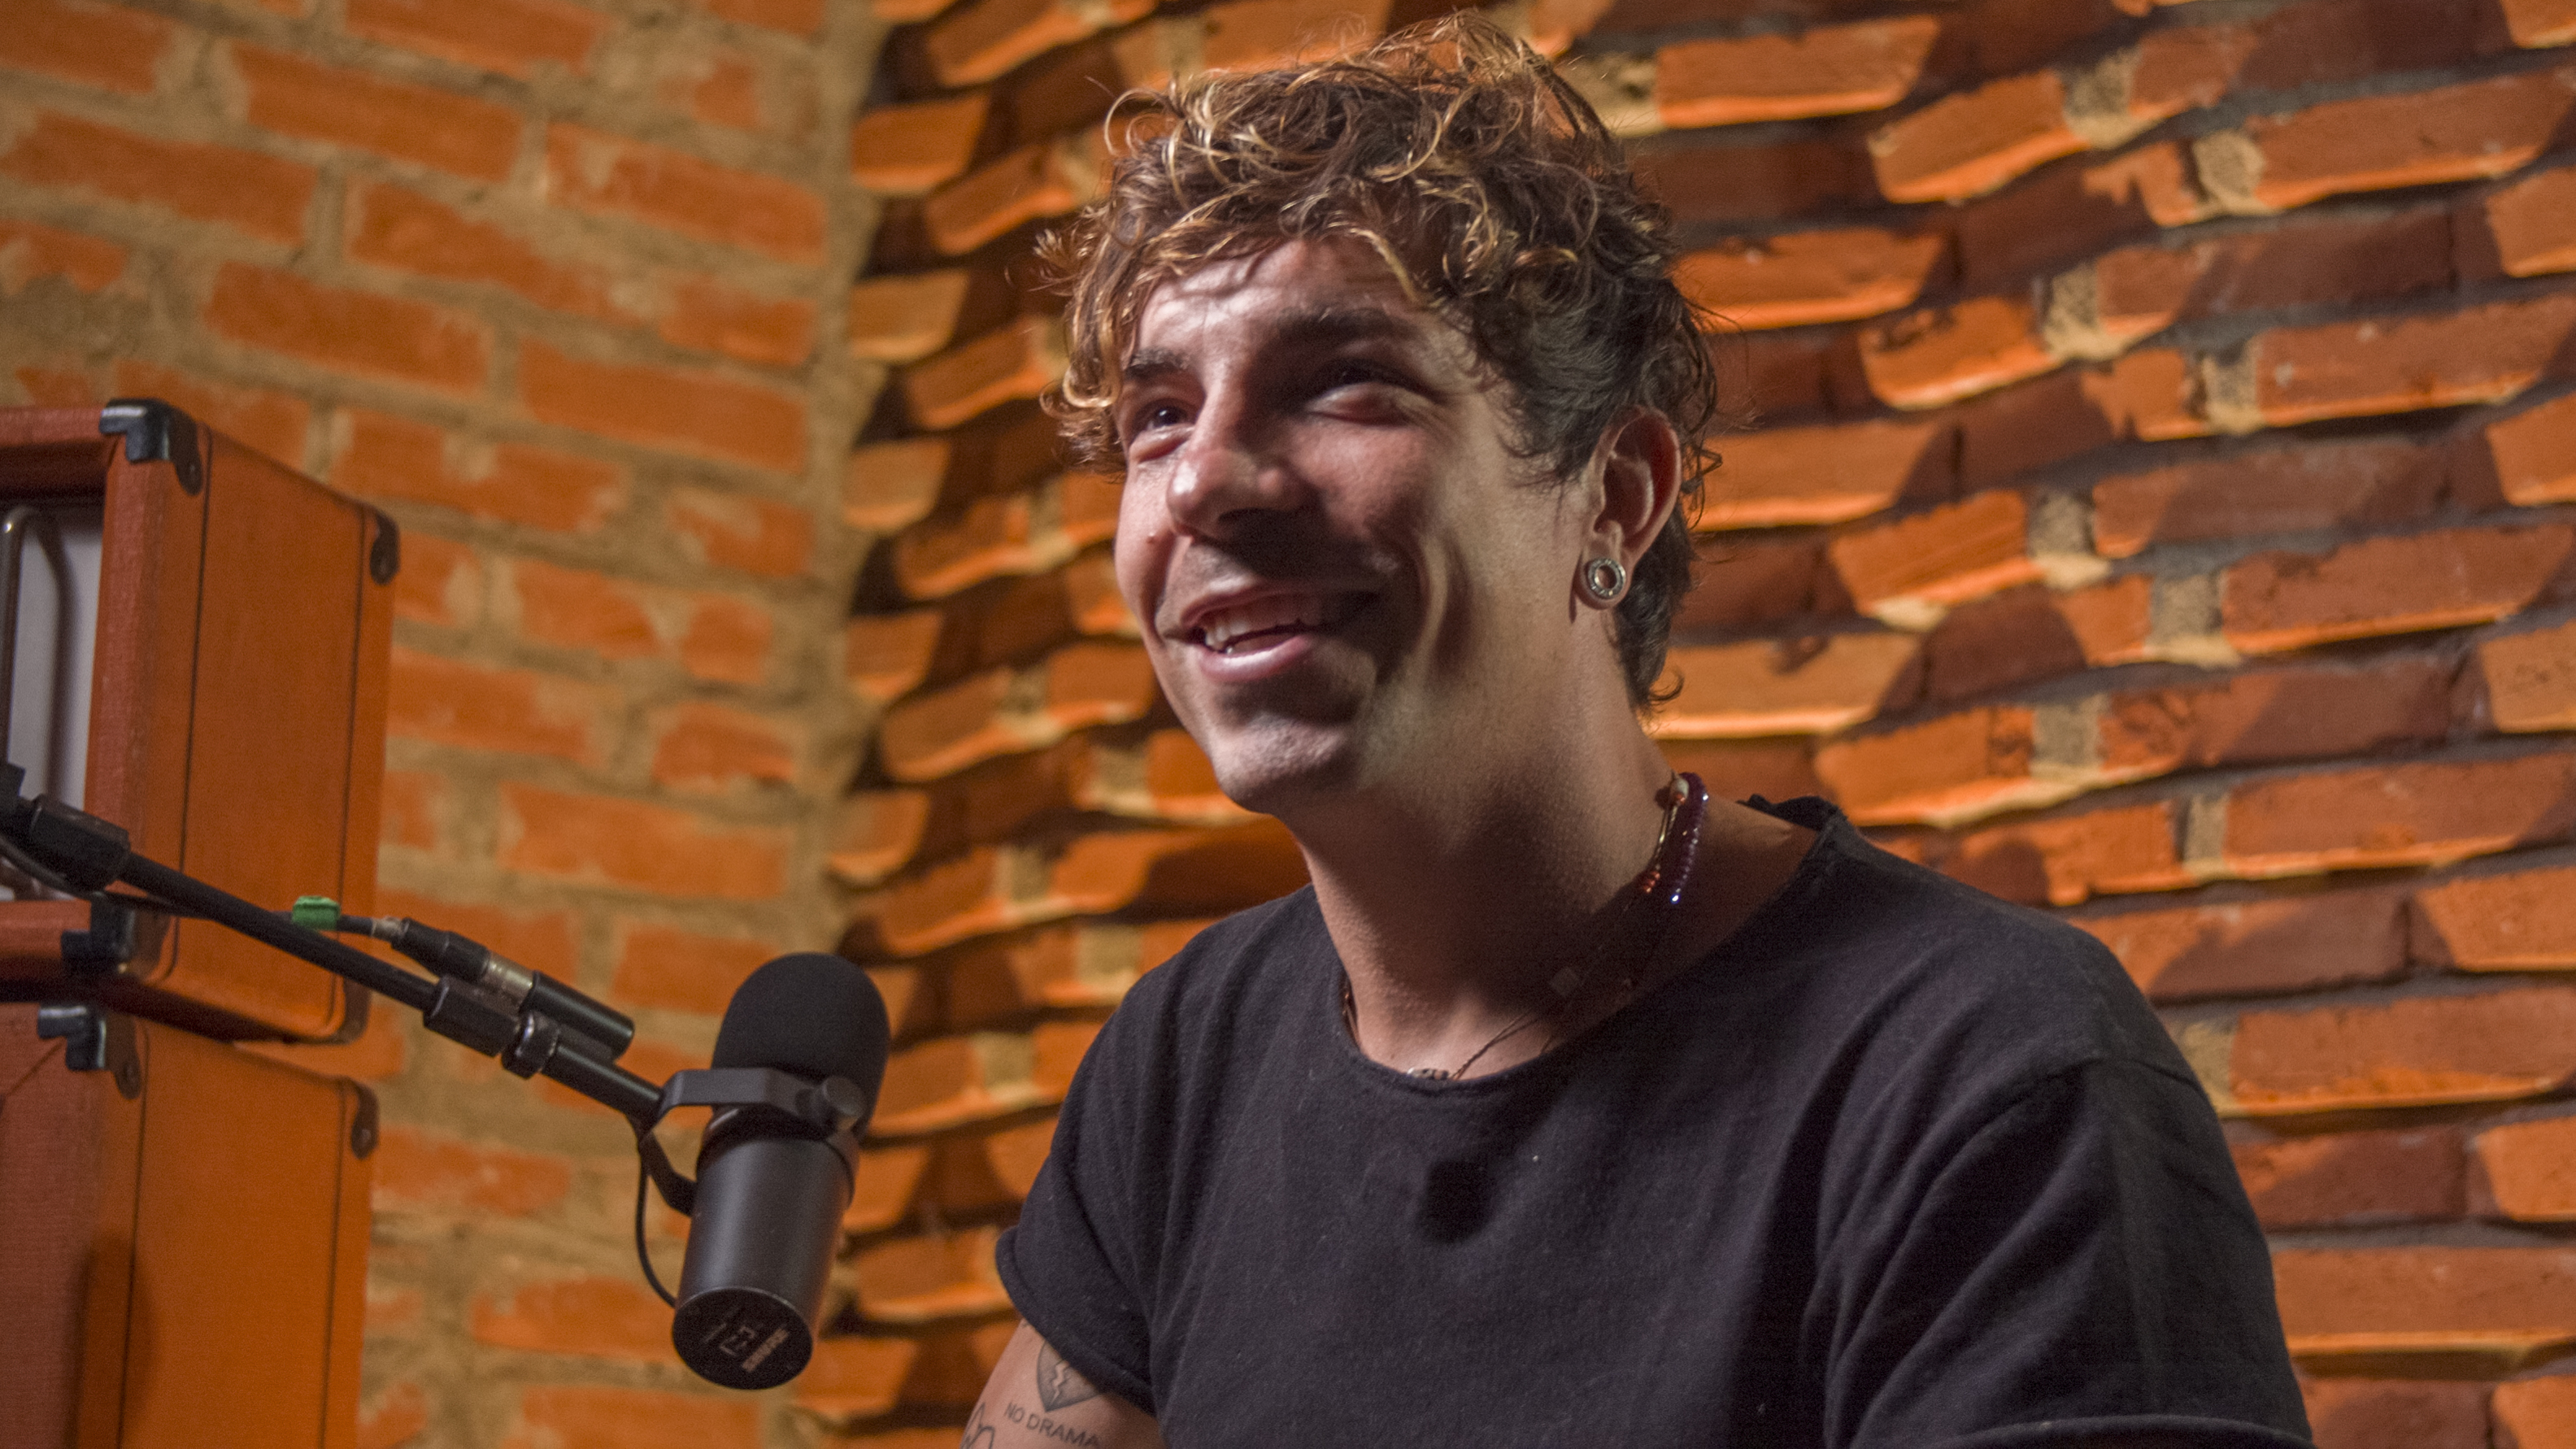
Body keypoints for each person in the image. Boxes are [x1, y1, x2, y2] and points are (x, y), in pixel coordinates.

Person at [963, 15, 2313, 1447]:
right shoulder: (1190, 1055)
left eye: (1345, 380)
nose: (1203, 481)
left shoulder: (1987, 1072)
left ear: (1613, 500)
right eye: (1159, 415)